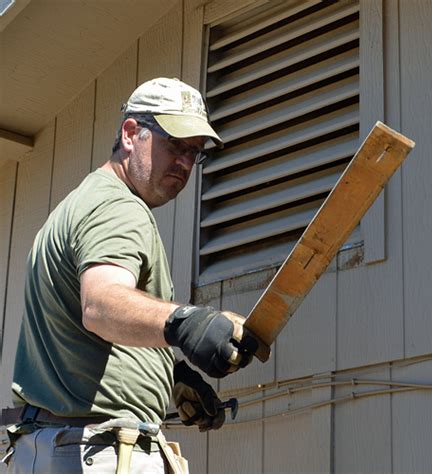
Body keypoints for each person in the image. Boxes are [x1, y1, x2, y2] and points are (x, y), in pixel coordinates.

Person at [1, 77, 263, 474]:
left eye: (195, 152)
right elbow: (101, 304)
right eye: (175, 144)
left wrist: (171, 376)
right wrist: (186, 323)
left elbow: (81, 329)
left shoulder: (87, 201)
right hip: (94, 452)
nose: (185, 163)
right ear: (130, 133)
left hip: (61, 445)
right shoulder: (117, 208)